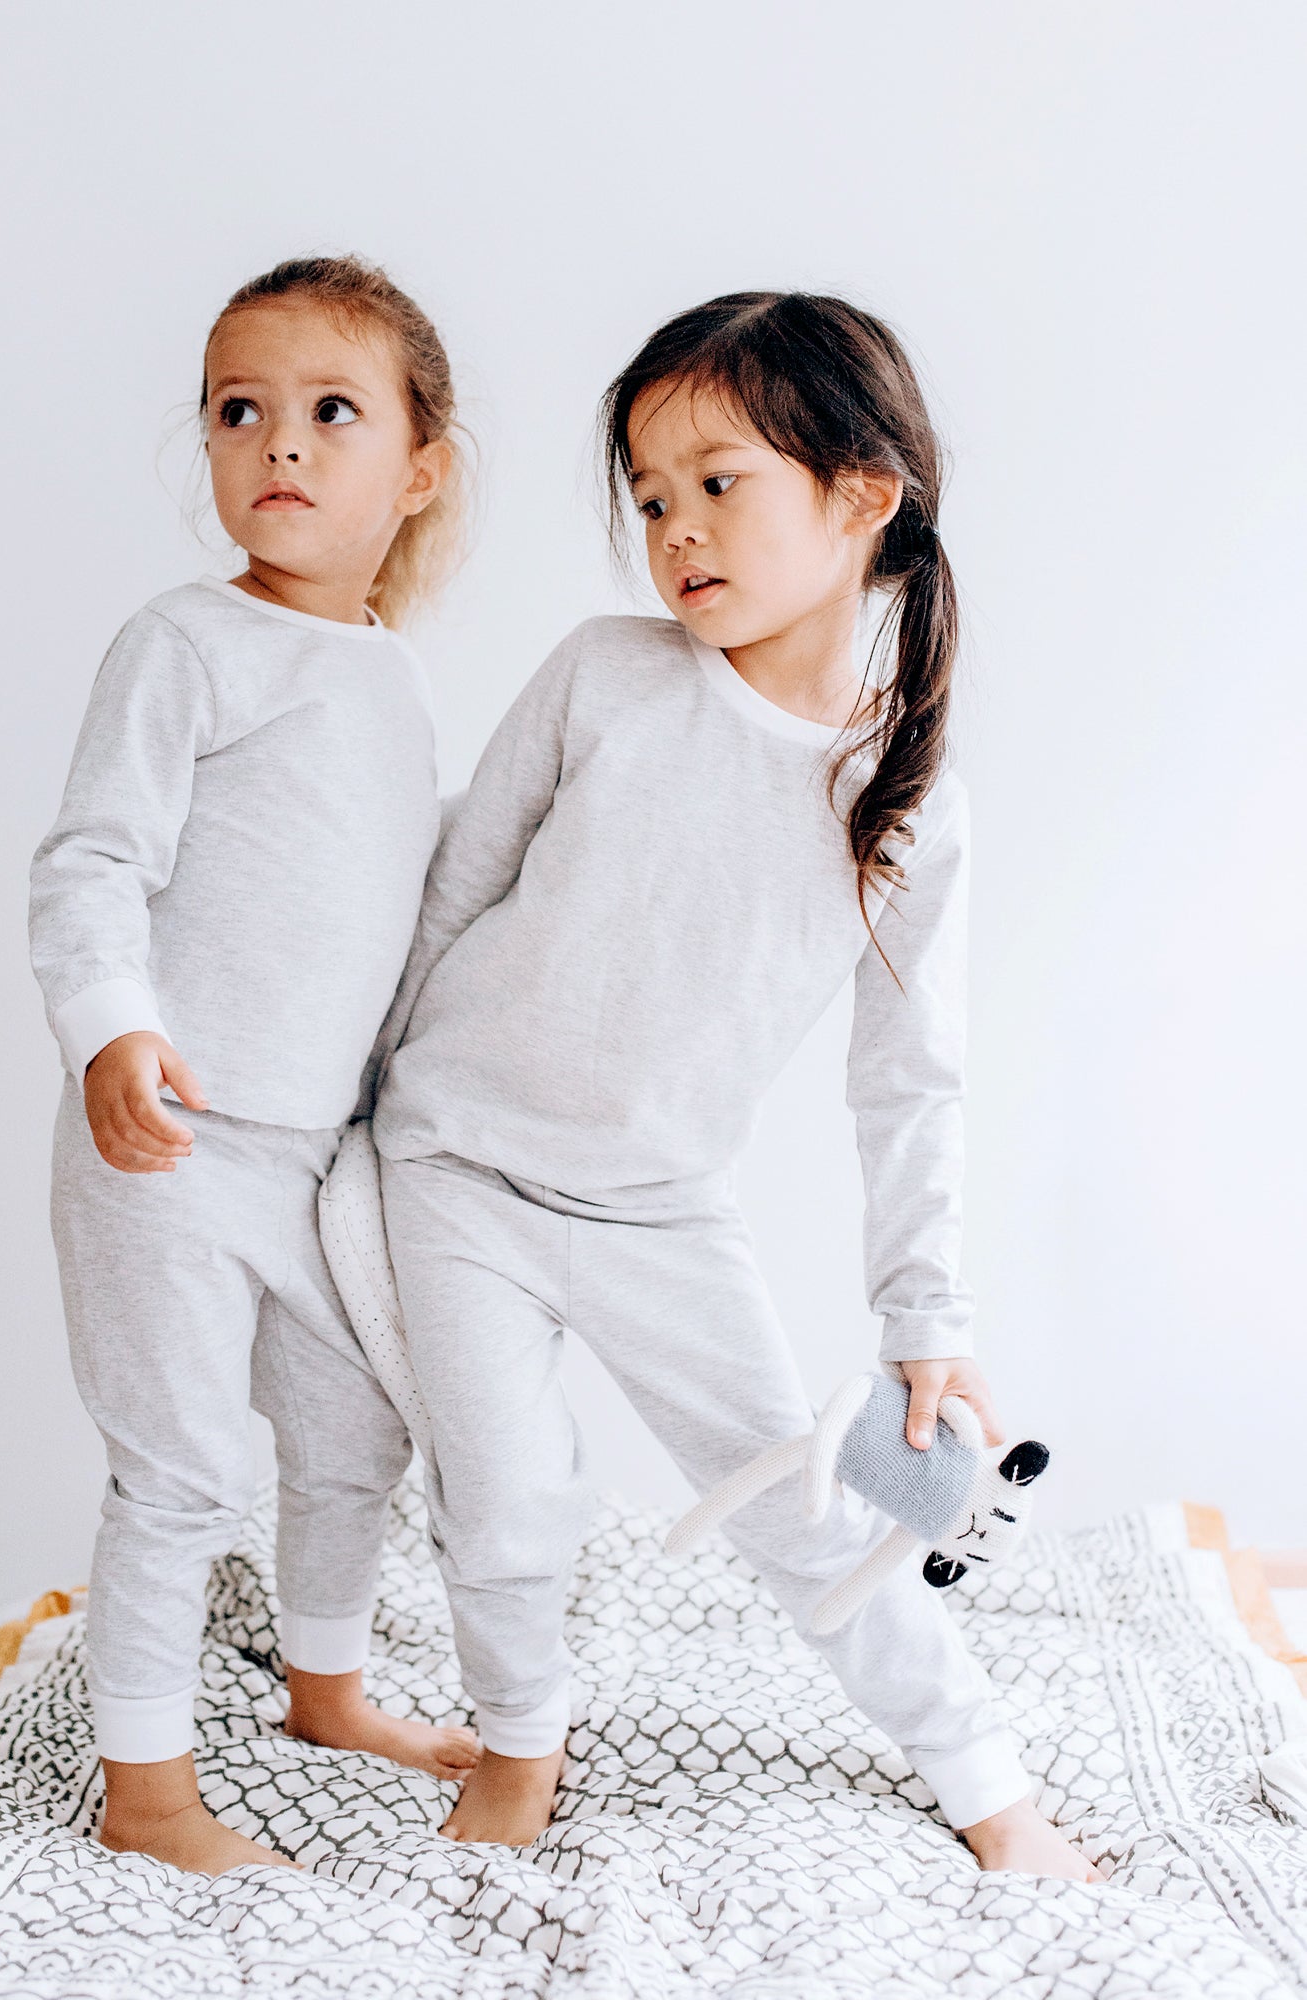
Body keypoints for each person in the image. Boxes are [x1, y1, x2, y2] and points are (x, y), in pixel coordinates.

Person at [370, 291, 1100, 1880]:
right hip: (452, 1170)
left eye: (717, 483)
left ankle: (986, 1781)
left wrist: (927, 1319)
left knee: (802, 1501)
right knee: (502, 1492)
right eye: (648, 500)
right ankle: (522, 1739)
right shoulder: (604, 676)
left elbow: (911, 1079)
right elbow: (452, 888)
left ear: (862, 494)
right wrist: (355, 1110)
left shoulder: (903, 798)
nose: (675, 530)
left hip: (657, 1213)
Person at [29, 255, 479, 1876]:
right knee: (179, 1468)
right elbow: (93, 860)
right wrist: (112, 1027)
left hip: (317, 1157)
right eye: (240, 410)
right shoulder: (187, 642)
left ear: (418, 470)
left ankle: (327, 1688)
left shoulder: (393, 678)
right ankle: (146, 1793)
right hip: (167, 1137)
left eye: (331, 411)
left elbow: (389, 915)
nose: (278, 441)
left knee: (355, 1435)